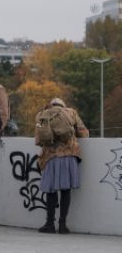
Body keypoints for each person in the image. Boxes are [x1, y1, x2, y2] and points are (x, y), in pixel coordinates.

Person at [35, 98, 88, 234]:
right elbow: (84, 133)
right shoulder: (71, 113)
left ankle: (49, 224)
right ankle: (63, 225)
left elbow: (38, 139)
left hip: (50, 157)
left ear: (51, 105)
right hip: (69, 156)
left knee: (51, 191)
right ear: (63, 105)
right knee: (65, 191)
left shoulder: (43, 114)